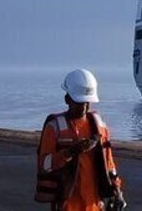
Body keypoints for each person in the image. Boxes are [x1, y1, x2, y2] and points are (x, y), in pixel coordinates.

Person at [35, 69, 126, 210]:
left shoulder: (100, 126)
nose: (84, 107)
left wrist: (118, 191)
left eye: (87, 102)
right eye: (79, 102)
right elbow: (44, 165)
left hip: (95, 206)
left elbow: (110, 165)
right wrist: (71, 152)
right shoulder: (54, 128)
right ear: (67, 99)